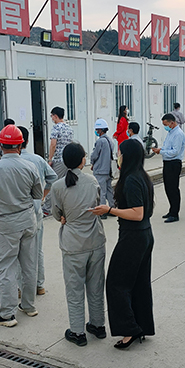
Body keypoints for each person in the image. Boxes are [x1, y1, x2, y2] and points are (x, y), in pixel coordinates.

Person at [91, 140, 155, 349]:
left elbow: (138, 213)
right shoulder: (142, 176)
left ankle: (129, 329)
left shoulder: (131, 180)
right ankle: (141, 325)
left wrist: (109, 210)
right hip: (144, 235)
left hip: (134, 236)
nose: (118, 156)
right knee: (139, 283)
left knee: (116, 284)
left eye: (120, 153)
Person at [0, 125, 43, 327]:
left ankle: (7, 314)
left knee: (5, 267)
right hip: (28, 221)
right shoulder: (30, 166)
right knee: (29, 265)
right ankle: (29, 306)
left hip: (6, 224)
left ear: (0, 145)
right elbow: (38, 194)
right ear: (21, 145)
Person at [51, 143, 107, 347]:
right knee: (96, 286)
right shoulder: (92, 181)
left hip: (73, 243)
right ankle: (98, 325)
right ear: (83, 160)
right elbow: (98, 205)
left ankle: (77, 331)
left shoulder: (58, 186)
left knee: (74, 289)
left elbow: (56, 213)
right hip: (95, 240)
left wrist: (65, 217)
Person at [19, 126, 57, 295]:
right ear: (27, 141)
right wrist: (42, 195)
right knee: (37, 248)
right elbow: (52, 177)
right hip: (36, 208)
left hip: (17, 212)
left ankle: (21, 287)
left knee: (19, 251)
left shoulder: (4, 162)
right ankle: (39, 285)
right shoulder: (37, 159)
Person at [152, 113, 185, 223]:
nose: (165, 127)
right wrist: (160, 150)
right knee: (168, 188)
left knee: (173, 188)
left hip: (174, 163)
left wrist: (161, 151)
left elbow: (175, 151)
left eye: (166, 124)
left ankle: (175, 213)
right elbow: (168, 148)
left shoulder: (178, 134)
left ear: (172, 122)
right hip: (167, 162)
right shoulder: (171, 133)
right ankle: (171, 210)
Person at [44, 107, 73, 214]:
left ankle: (47, 209)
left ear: (55, 116)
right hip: (68, 159)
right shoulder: (69, 128)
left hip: (58, 160)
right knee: (66, 183)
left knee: (53, 183)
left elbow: (53, 144)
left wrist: (50, 159)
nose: (51, 118)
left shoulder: (56, 128)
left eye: (52, 116)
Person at [90, 118, 117, 213]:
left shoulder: (100, 141)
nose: (96, 132)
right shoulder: (110, 140)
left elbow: (94, 155)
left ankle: (102, 210)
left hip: (100, 170)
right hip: (108, 170)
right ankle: (113, 208)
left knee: (101, 191)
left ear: (100, 130)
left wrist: (92, 162)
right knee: (109, 190)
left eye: (97, 130)